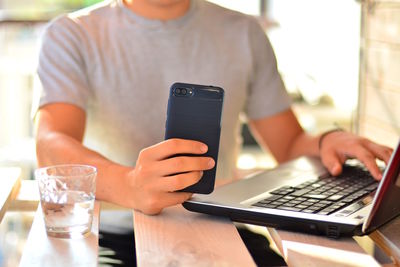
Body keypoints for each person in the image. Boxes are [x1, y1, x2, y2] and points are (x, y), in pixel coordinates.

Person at [33, 0, 393, 265]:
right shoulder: (72, 34)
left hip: (223, 227)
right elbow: (51, 144)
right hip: (114, 236)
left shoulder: (244, 32)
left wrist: (327, 141)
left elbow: (289, 144)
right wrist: (130, 185)